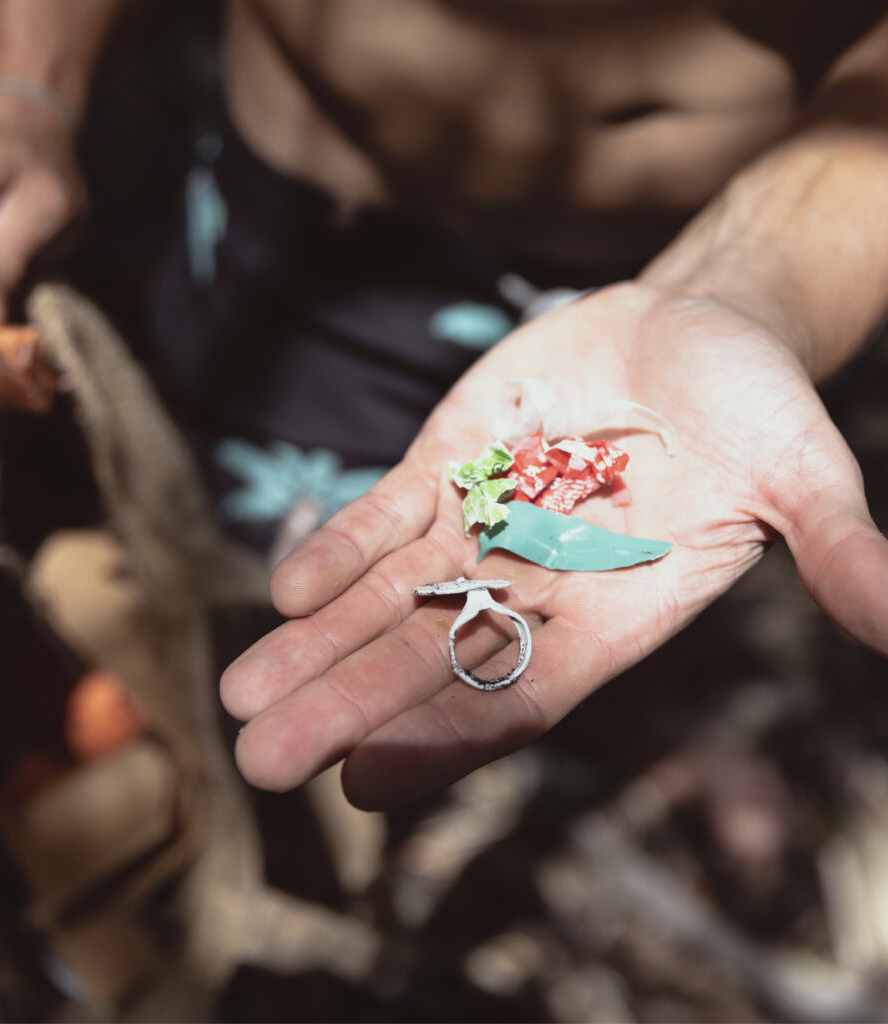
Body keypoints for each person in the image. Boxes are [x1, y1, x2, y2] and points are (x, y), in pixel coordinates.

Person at [3, 0, 888, 811]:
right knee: (237, 560)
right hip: (307, 238)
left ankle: (629, 733)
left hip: (714, 232)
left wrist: (758, 283)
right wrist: (30, 88)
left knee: (623, 607)